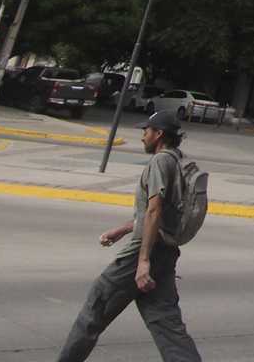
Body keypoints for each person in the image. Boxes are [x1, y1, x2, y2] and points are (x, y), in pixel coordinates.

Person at [56, 109, 202, 362]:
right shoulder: (177, 160)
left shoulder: (159, 161)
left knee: (93, 312)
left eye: (146, 131)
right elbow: (155, 212)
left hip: (142, 254)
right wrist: (122, 229)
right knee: (167, 325)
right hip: (166, 253)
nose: (142, 136)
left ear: (159, 134)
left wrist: (143, 261)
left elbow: (155, 209)